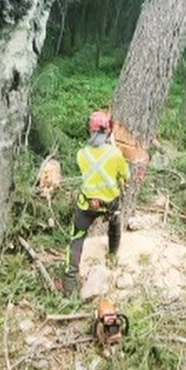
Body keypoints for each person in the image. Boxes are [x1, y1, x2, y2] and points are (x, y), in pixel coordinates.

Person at [61, 111, 130, 296]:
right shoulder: (115, 154)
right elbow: (126, 175)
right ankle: (113, 254)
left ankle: (69, 284)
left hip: (87, 205)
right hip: (110, 204)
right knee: (115, 225)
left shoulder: (81, 154)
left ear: (89, 131)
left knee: (76, 239)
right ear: (108, 131)